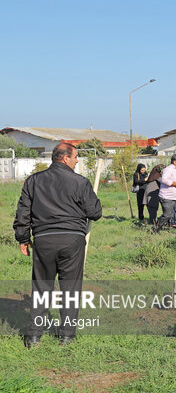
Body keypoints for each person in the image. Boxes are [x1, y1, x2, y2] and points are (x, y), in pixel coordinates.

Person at [13, 143, 102, 348]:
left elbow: (23, 212)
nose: (77, 160)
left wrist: (23, 238)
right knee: (70, 288)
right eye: (76, 157)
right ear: (65, 158)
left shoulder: (33, 181)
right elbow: (95, 213)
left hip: (43, 240)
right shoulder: (80, 182)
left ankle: (34, 337)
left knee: (42, 287)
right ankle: (67, 337)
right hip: (72, 240)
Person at [154, 155, 176, 233]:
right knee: (168, 215)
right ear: (175, 162)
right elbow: (164, 180)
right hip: (167, 196)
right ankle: (156, 227)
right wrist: (175, 184)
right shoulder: (168, 169)